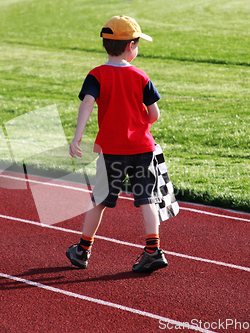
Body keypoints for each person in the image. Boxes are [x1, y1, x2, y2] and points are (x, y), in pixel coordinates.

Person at [66, 15, 168, 273]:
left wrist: (77, 136)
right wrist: (140, 124)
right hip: (143, 148)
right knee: (147, 198)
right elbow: (154, 114)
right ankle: (152, 250)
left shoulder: (97, 74)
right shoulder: (141, 76)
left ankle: (83, 250)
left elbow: (87, 103)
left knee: (100, 200)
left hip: (112, 150)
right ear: (131, 46)